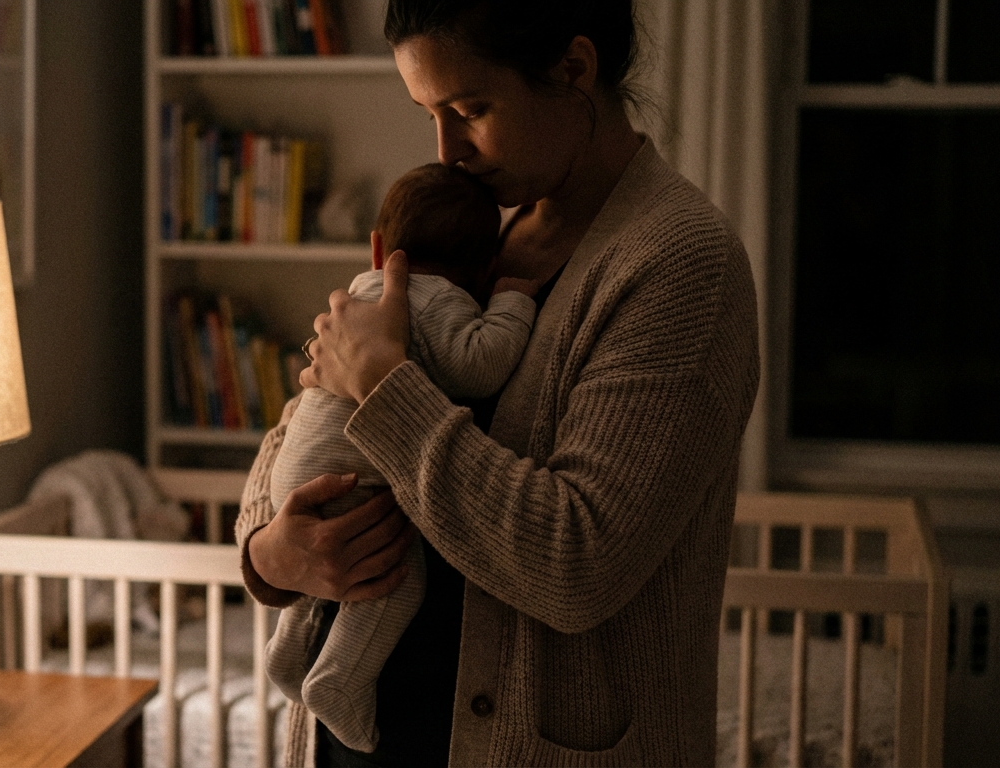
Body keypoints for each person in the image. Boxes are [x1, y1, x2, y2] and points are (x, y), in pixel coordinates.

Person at [234, 0, 760, 765]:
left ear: (573, 68)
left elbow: (576, 566)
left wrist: (384, 388)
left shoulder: (680, 264)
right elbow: (308, 420)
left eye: (470, 110)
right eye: (429, 116)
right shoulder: (476, 230)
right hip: (353, 739)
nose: (447, 152)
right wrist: (272, 554)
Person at [266, 162, 540, 753]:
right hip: (354, 480)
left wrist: (270, 550)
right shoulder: (441, 302)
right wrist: (513, 303)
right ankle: (338, 680)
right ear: (485, 267)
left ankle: (288, 650)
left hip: (294, 479)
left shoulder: (355, 299)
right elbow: (479, 365)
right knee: (393, 580)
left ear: (376, 249)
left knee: (324, 566)